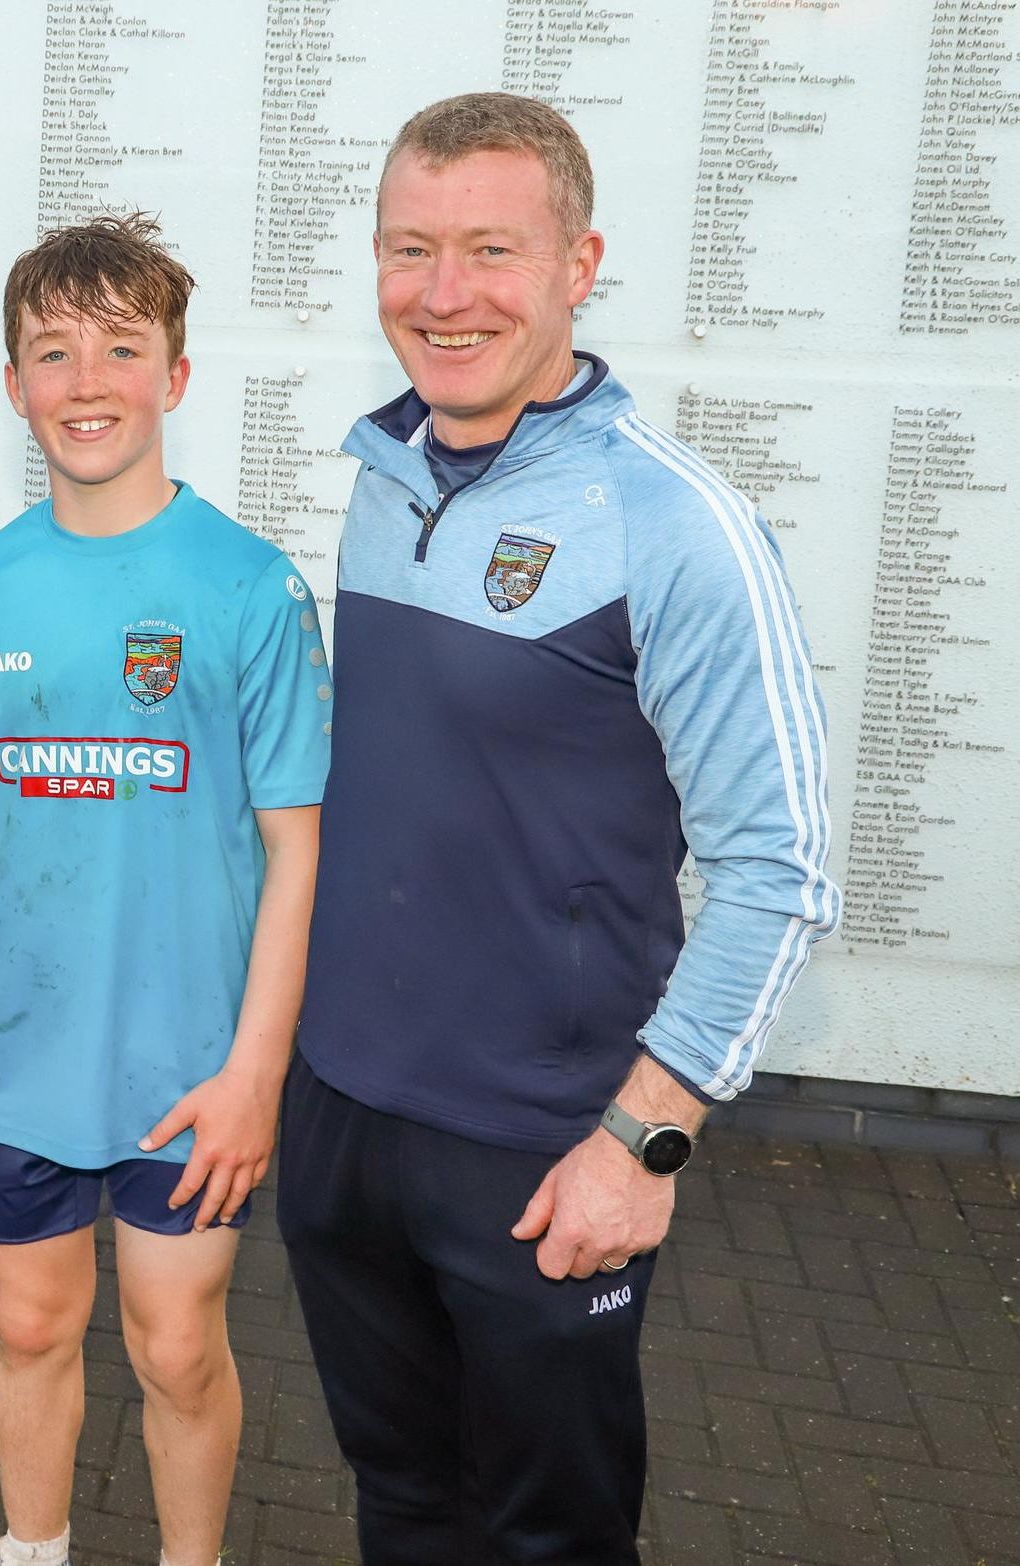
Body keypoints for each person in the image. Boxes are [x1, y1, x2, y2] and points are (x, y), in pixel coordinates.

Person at [278, 91, 839, 1565]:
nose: (441, 293)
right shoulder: (378, 480)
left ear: (577, 264)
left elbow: (778, 874)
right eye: (410, 249)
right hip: (341, 1113)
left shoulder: (674, 526)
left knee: (551, 1536)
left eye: (488, 249)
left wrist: (638, 1141)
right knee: (402, 1503)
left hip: (542, 1150)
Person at [0, 214, 330, 1566]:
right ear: (11, 383)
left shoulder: (249, 588)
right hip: (21, 1047)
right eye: (51, 351)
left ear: (175, 375)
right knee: (29, 1327)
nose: (84, 380)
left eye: (119, 347)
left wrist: (253, 1073)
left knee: (173, 1345)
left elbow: (295, 851)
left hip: (184, 1065)